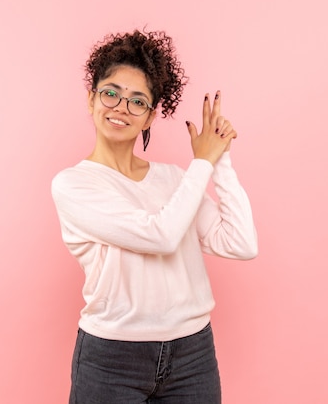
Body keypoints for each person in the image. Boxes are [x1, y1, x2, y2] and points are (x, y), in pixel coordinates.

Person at [51, 29, 258, 404]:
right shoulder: (73, 185)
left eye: (137, 101)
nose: (120, 107)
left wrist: (220, 159)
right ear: (91, 99)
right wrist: (203, 161)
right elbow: (160, 235)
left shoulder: (175, 180)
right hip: (112, 359)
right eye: (110, 93)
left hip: (192, 355)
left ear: (149, 118)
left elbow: (241, 243)